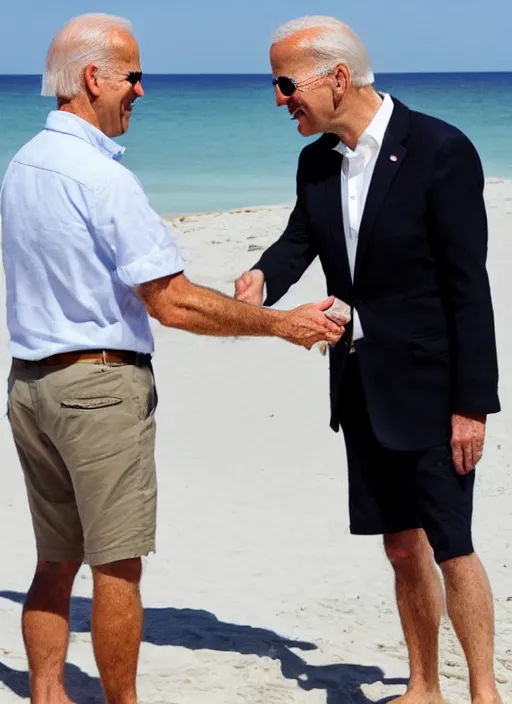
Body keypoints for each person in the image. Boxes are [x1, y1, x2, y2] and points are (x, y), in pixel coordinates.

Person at [0, 13, 343, 704]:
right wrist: (279, 323)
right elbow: (174, 301)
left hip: (30, 387)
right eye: (133, 76)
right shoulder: (101, 178)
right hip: (96, 392)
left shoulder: (23, 163)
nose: (142, 91)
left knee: (54, 562)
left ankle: (46, 694)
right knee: (117, 570)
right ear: (93, 78)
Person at [235, 15, 502, 704]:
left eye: (285, 83)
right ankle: (422, 686)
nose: (278, 98)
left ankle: (482, 691)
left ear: (338, 78)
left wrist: (472, 406)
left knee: (451, 543)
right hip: (359, 386)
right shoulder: (316, 161)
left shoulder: (440, 150)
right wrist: (265, 278)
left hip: (434, 388)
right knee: (400, 545)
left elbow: (468, 287)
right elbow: (302, 237)